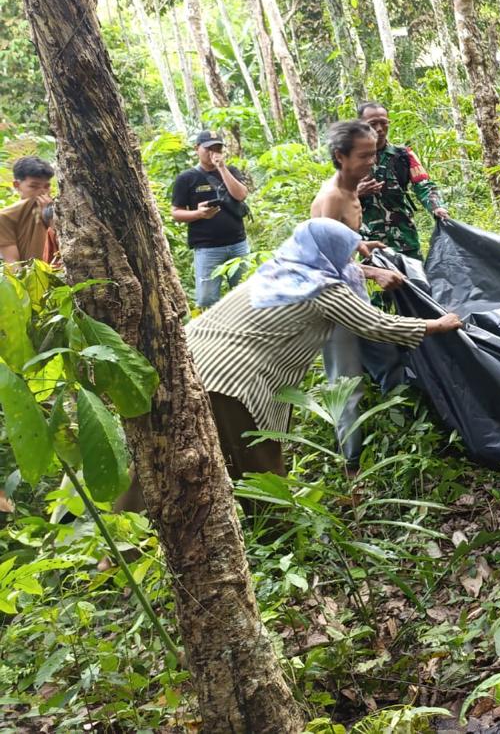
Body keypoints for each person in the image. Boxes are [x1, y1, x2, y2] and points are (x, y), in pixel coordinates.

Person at [116, 219, 462, 517]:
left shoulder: (281, 271)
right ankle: (278, 540)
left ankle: (119, 546)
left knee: (161, 458)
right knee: (260, 466)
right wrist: (437, 325)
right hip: (232, 382)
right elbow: (375, 325)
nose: (353, 257)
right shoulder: (325, 289)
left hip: (184, 364)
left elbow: (341, 269)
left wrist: (367, 266)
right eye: (348, 250)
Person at [311, 120, 406, 475]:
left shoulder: (352, 191)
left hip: (353, 293)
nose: (372, 160)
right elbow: (321, 263)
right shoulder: (332, 198)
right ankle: (351, 464)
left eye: (374, 153)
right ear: (341, 156)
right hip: (332, 302)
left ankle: (402, 432)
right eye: (364, 155)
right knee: (346, 382)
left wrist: (361, 244)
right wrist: (375, 272)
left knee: (389, 357)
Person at [354, 102, 449, 260]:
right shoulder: (350, 158)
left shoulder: (404, 155)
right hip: (369, 242)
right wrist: (357, 192)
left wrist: (437, 207)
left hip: (405, 239)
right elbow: (336, 195)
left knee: (415, 283)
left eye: (384, 123)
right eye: (372, 124)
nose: (379, 129)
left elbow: (425, 186)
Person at [171, 131, 251, 308]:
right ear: (197, 149)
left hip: (238, 244)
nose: (213, 152)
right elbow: (176, 212)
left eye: (217, 148)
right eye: (208, 148)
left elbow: (240, 195)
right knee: (207, 299)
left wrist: (222, 168)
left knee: (245, 296)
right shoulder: (186, 178)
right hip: (207, 248)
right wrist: (198, 214)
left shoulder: (231, 171)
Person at [0, 156, 55, 264]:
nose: (42, 192)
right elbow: (12, 262)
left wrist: (49, 215)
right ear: (17, 185)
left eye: (46, 186)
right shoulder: (6, 216)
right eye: (34, 186)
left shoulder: (60, 209)